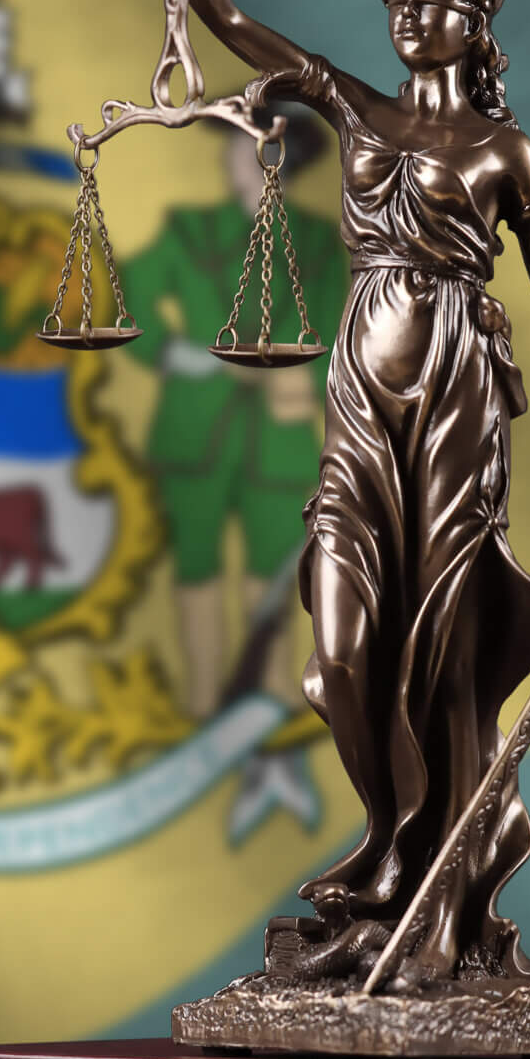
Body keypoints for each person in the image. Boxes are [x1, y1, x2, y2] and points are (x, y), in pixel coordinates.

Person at [147, 0, 530, 994]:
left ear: (476, 19)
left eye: (432, 3)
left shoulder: (500, 153)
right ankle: (391, 852)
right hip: (361, 394)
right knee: (341, 652)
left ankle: (442, 906)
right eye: (396, 2)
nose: (408, 20)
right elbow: (228, 18)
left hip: (458, 393)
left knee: (447, 653)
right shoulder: (351, 104)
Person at [116, 113, 346, 721]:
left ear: (277, 160)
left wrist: (312, 387)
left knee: (273, 567)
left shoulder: (321, 245)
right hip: (197, 433)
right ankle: (201, 700)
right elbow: (123, 291)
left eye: (244, 149)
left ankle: (269, 699)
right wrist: (168, 351)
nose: (229, 159)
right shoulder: (189, 231)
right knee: (195, 563)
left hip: (282, 437)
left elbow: (348, 339)